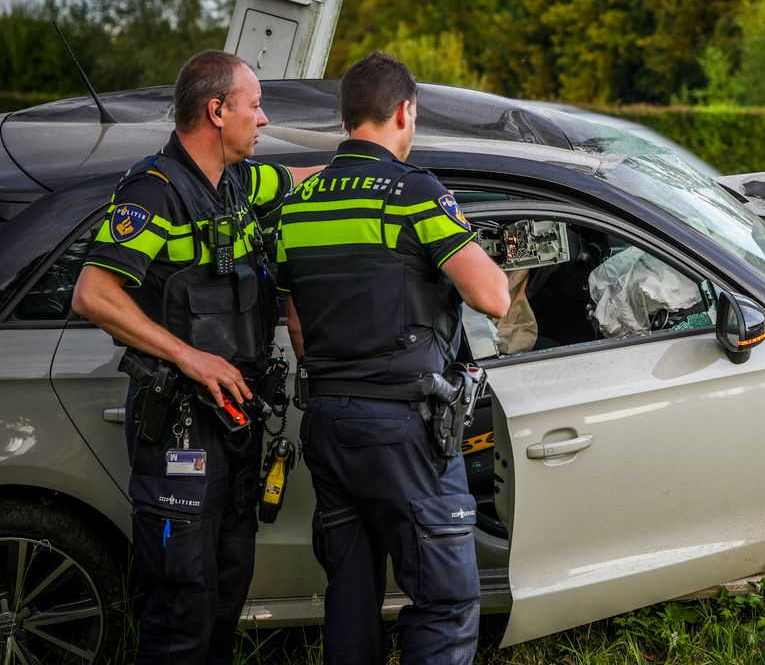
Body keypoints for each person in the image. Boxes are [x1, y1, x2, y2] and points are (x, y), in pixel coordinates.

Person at [71, 50, 321, 664]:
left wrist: (388, 174)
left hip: (235, 427)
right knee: (182, 605)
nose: (262, 121)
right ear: (217, 110)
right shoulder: (153, 192)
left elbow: (304, 179)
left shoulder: (239, 180)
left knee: (226, 590)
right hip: (180, 429)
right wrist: (191, 357)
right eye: (254, 106)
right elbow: (93, 294)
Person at [277, 52, 509, 665]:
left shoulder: (300, 204)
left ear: (348, 114)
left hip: (326, 421)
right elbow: (494, 297)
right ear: (405, 111)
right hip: (404, 427)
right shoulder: (414, 192)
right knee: (446, 600)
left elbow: (298, 323)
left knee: (349, 597)